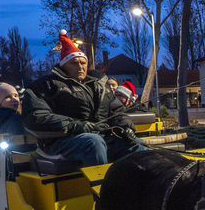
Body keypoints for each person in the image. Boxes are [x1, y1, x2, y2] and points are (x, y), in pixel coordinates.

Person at [22, 30, 143, 166]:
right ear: (63, 65)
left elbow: (117, 110)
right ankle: (100, 186)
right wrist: (75, 125)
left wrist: (126, 127)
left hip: (101, 137)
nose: (80, 67)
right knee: (93, 142)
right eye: (74, 63)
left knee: (136, 145)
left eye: (83, 62)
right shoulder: (45, 85)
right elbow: (35, 117)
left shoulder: (99, 85)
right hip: (60, 141)